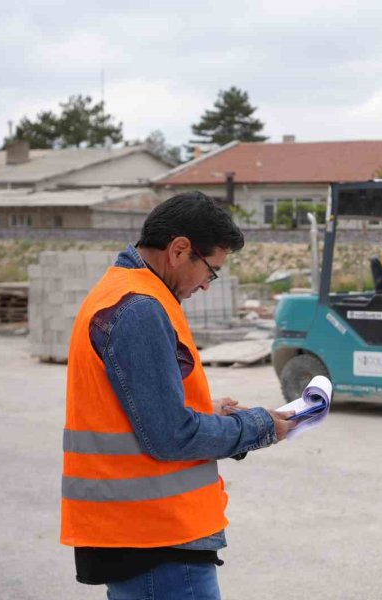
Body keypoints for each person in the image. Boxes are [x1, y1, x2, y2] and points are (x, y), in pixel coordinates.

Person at [60, 192, 296, 599]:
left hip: (143, 537)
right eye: (211, 270)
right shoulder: (140, 308)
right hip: (157, 540)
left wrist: (210, 410)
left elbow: (138, 409)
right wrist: (258, 426)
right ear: (179, 249)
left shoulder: (123, 292)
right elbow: (171, 435)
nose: (207, 284)